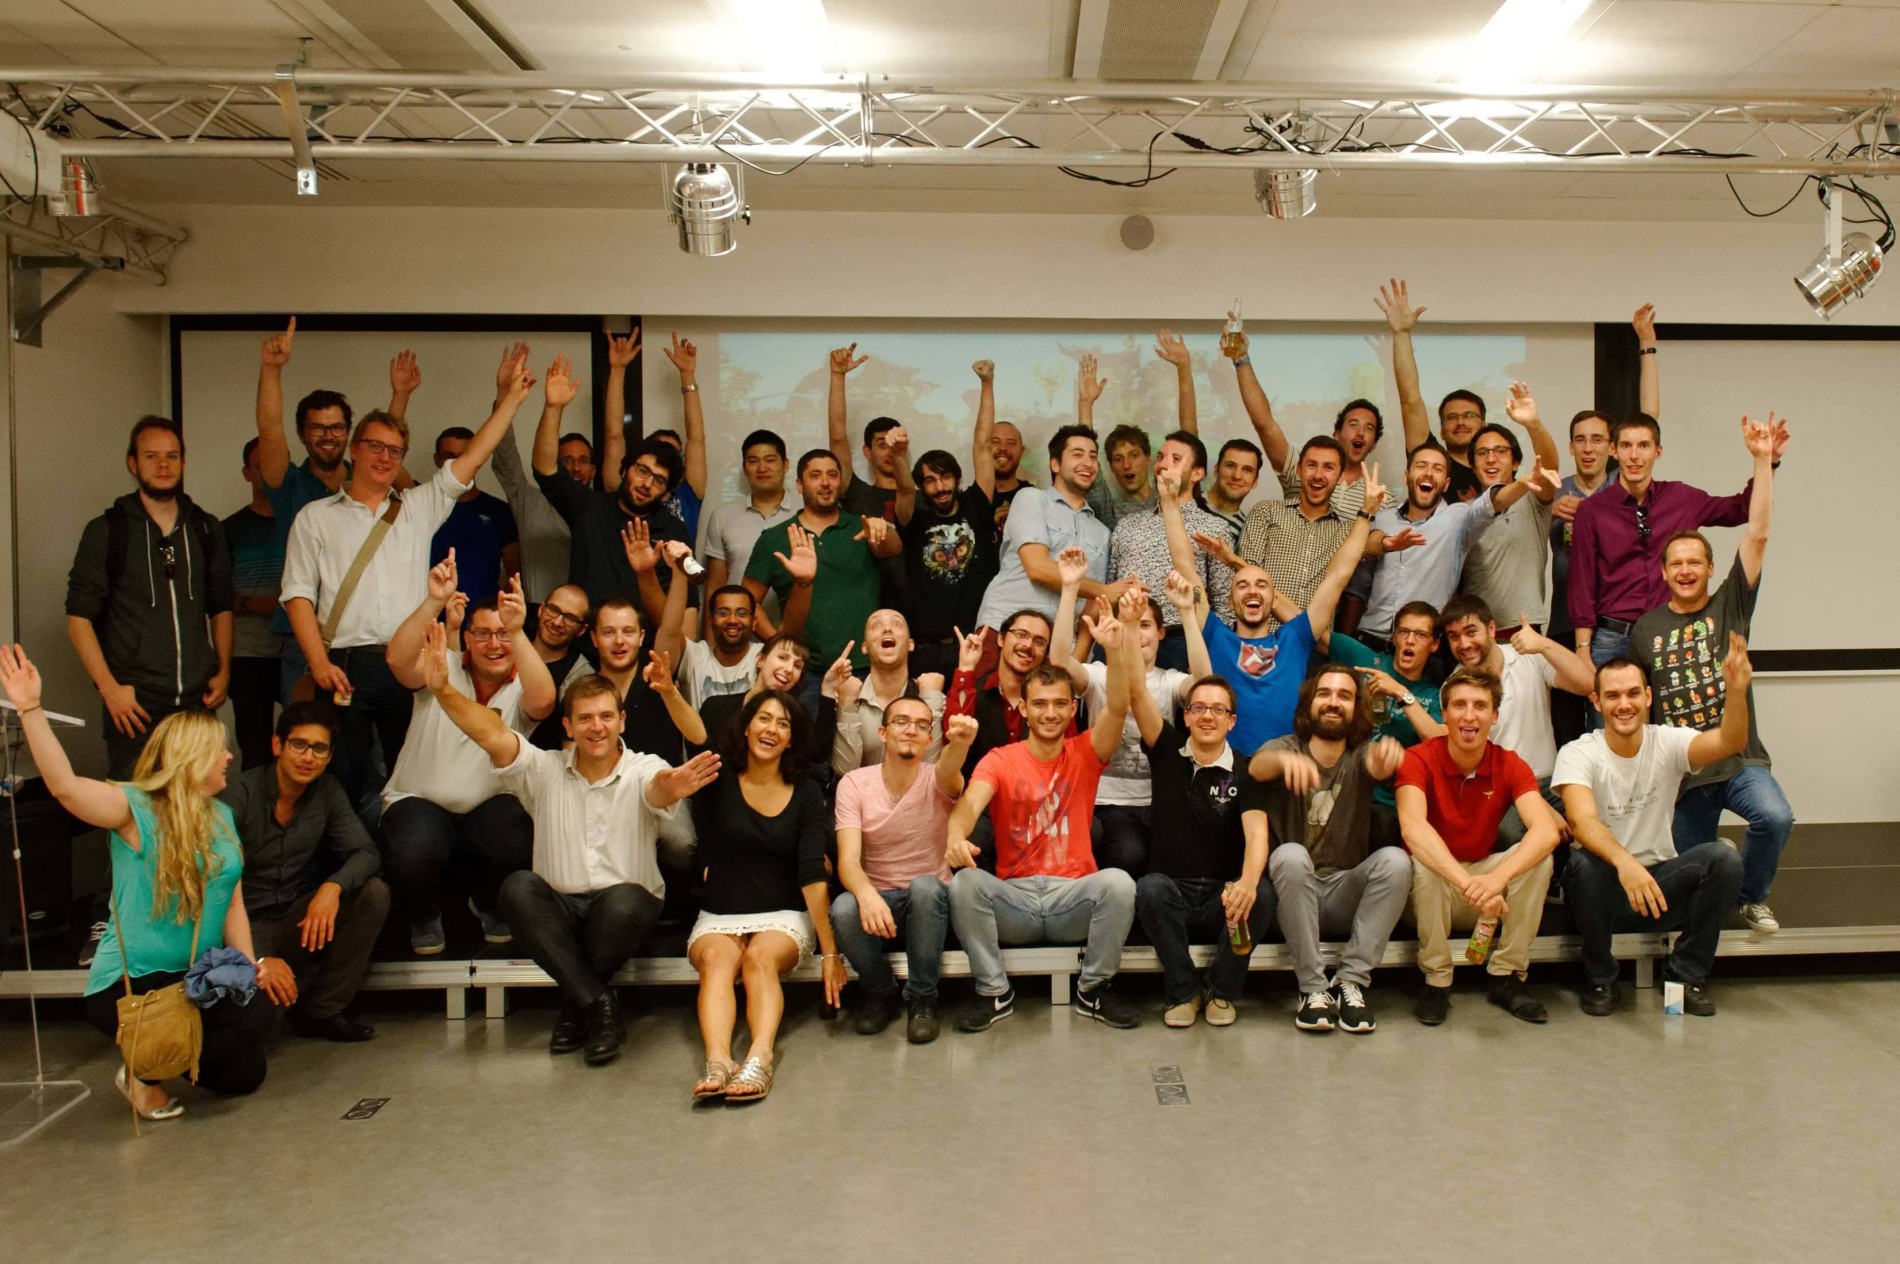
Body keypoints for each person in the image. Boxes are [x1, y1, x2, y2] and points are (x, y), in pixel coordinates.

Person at [423, 626, 721, 1064]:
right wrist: (444, 690)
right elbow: (491, 734)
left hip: (623, 914)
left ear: (622, 721)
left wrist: (674, 785)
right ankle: (596, 1004)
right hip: (560, 915)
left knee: (624, 901)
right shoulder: (543, 769)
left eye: (605, 716)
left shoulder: (644, 767)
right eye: (584, 718)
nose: (596, 727)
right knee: (518, 888)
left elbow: (658, 788)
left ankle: (576, 1003)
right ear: (567, 725)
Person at [1, 647, 275, 1117]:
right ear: (194, 759)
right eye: (219, 750)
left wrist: (248, 964)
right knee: (243, 1024)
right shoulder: (134, 809)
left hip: (195, 977)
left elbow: (230, 901)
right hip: (131, 985)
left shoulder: (224, 817)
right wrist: (30, 708)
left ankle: (161, 1056)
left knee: (247, 1071)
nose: (229, 757)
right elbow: (65, 786)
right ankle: (144, 1072)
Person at [280, 354, 535, 804]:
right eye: (375, 447)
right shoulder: (314, 518)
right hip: (341, 666)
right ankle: (346, 870)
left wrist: (511, 400)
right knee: (339, 778)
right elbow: (297, 595)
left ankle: (395, 865)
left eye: (394, 451)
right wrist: (319, 663)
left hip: (409, 666)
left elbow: (475, 455)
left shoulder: (419, 505)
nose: (384, 458)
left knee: (408, 774)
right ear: (354, 449)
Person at [945, 593, 1141, 1031]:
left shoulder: (1087, 750)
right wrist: (955, 838)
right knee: (965, 886)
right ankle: (994, 993)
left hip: (1074, 899)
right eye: (1040, 704)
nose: (1050, 713)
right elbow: (968, 806)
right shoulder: (999, 757)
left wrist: (1115, 645)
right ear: (1026, 710)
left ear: (1073, 709)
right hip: (1015, 902)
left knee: (1120, 883)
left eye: (1059, 704)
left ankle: (1093, 990)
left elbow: (1119, 706)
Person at [1632, 414, 1787, 933]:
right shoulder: (1644, 628)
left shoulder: (1730, 606)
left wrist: (1761, 461)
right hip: (1685, 774)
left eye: (1695, 562)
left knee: (1775, 818)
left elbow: (1758, 534)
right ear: (1663, 571)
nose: (1685, 570)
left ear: (1707, 567)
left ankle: (1751, 894)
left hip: (1740, 760)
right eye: (1676, 563)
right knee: (1686, 869)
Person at [1557, 641, 1753, 1016]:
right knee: (1582, 866)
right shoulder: (1579, 752)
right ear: (1597, 703)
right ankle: (1600, 978)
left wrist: (1738, 689)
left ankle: (1685, 976)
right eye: (1612, 696)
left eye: (1633, 693)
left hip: (1660, 889)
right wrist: (1625, 864)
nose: (1624, 704)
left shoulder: (1668, 741)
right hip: (1604, 893)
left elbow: (1731, 741)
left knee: (1723, 859)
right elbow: (1582, 822)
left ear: (1648, 697)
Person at [380, 561, 554, 954]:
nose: (495, 644)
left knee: (514, 833)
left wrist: (517, 630)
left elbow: (544, 700)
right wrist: (434, 601)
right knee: (413, 850)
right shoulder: (441, 668)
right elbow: (396, 660)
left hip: (488, 810)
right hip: (419, 801)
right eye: (484, 635)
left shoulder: (522, 684)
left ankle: (490, 904)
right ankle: (423, 915)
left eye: (502, 634)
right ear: (470, 640)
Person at [687, 690, 845, 1103]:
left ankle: (759, 1058)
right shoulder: (718, 779)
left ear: (791, 739)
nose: (771, 729)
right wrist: (669, 691)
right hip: (721, 909)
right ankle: (718, 1061)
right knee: (718, 961)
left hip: (784, 912)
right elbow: (693, 739)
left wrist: (829, 953)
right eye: (763, 718)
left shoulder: (807, 792)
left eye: (783, 723)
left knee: (759, 959)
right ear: (747, 725)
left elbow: (813, 874)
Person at [1166, 463, 1383, 755]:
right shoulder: (1216, 635)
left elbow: (1337, 578)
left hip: (1284, 768)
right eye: (1242, 586)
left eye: (1262, 585)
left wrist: (1366, 513)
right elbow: (1184, 566)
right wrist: (1168, 502)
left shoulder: (1294, 637)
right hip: (1224, 764)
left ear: (1272, 600)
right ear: (1230, 602)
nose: (1253, 590)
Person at [253, 319, 416, 700]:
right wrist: (271, 371)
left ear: (351, 436)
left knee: (375, 754)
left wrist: (400, 396)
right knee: (311, 744)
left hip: (371, 647)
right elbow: (269, 431)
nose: (328, 436)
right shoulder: (289, 484)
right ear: (302, 434)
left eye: (337, 428)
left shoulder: (370, 480)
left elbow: (386, 447)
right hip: (308, 641)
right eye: (317, 428)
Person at [1395, 667, 1565, 1026]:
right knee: (1424, 862)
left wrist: (1495, 878)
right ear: (1444, 714)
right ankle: (1436, 980)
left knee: (1540, 861)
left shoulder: (1510, 763)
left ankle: (1506, 976)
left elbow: (1546, 831)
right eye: (1459, 705)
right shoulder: (1418, 758)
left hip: (1485, 891)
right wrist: (1469, 883)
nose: (1469, 715)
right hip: (1430, 892)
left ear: (1494, 715)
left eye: (1479, 706)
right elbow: (1413, 828)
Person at [67, 415, 234, 779]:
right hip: (134, 705)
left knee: (199, 810)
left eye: (172, 456)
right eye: (151, 456)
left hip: (196, 702)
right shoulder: (107, 530)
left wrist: (223, 672)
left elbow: (221, 606)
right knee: (136, 815)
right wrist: (109, 690)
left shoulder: (206, 527)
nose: (163, 465)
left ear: (183, 462)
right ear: (133, 463)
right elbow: (79, 618)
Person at [217, 701, 389, 1042]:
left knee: (373, 892)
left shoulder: (326, 792)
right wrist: (259, 959)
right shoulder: (240, 795)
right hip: (238, 928)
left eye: (319, 749)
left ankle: (323, 1010)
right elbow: (207, 885)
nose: (308, 757)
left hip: (292, 919)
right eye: (299, 745)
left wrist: (332, 888)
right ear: (277, 745)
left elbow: (365, 853)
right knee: (257, 1024)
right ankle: (283, 987)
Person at [1252, 667, 1412, 1034]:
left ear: (1357, 709)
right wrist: (1283, 763)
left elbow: (1374, 763)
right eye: (1324, 694)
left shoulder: (1359, 756)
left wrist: (1385, 759)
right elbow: (1257, 767)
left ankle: (1350, 982)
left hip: (1342, 894)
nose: (1333, 702)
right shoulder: (1285, 747)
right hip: (1289, 898)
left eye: (1344, 695)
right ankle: (1312, 990)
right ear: (1309, 704)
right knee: (1291, 855)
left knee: (1396, 861)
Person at [1569, 410, 1781, 667]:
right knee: (1612, 708)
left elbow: (1742, 508)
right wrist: (1583, 649)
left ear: (1658, 451)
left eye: (1644, 446)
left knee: (1677, 707)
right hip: (1614, 638)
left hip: (1671, 633)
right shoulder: (1592, 510)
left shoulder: (1681, 498)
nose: (1634, 455)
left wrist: (1767, 462)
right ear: (1614, 450)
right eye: (1626, 446)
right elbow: (1582, 583)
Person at [1131, 663, 1276, 1029]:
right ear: (1186, 716)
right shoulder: (1165, 750)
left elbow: (1258, 833)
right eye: (1199, 707)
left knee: (1261, 892)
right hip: (1172, 894)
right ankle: (1183, 993)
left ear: (1232, 721)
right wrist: (1127, 632)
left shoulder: (1247, 770)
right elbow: (1135, 693)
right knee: (1149, 888)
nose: (1207, 716)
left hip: (1220, 899)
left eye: (1218, 709)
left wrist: (1245, 882)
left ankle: (1221, 992)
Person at [1051, 563, 1211, 876]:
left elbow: (1205, 686)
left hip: (1159, 802)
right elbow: (1058, 662)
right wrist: (1070, 589)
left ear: (1161, 633)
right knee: (1129, 855)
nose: (1138, 634)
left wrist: (1187, 612)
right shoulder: (1099, 676)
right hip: (1108, 803)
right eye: (1132, 624)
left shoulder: (1169, 680)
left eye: (1146, 625)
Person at [833, 703, 978, 1044]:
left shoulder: (937, 777)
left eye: (921, 725)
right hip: (879, 903)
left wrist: (959, 744)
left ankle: (922, 998)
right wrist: (867, 897)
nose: (911, 730)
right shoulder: (854, 783)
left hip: (930, 904)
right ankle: (880, 991)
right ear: (882, 732)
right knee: (842, 908)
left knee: (926, 887)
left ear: (929, 738)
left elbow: (950, 771)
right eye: (901, 722)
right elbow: (848, 861)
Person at [532, 353, 691, 612]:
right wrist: (553, 408)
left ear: (666, 492)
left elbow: (674, 613)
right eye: (642, 470)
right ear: (626, 468)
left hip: (642, 644)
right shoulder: (589, 506)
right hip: (585, 640)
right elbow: (545, 468)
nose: (647, 483)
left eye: (659, 480)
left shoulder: (673, 531)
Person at [1356, 439, 1551, 648]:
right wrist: (1387, 543)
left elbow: (1491, 504)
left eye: (1437, 468)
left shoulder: (1458, 518)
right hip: (1371, 638)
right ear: (1406, 476)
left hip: (1426, 647)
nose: (1429, 473)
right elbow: (1366, 544)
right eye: (1421, 466)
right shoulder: (1383, 516)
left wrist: (1521, 484)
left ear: (1446, 483)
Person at [1440, 593, 1593, 846]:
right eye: (1454, 637)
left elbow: (1587, 683)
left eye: (1470, 632)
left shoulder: (1527, 656)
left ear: (1491, 628)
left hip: (1552, 782)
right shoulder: (1454, 688)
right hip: (1502, 791)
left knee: (1591, 825)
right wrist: (1538, 805)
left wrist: (1544, 644)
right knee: (1511, 833)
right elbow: (1476, 763)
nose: (1464, 644)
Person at [897, 359, 1003, 680]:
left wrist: (987, 384)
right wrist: (901, 454)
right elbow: (902, 486)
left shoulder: (976, 505)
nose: (939, 486)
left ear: (957, 479)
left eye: (945, 478)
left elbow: (983, 445)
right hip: (926, 647)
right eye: (929, 480)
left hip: (975, 641)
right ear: (922, 487)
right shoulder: (914, 519)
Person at [744, 450, 900, 668]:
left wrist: (883, 530)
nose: (825, 483)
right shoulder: (774, 538)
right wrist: (777, 644)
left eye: (832, 475)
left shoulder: (861, 527)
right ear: (799, 484)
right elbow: (747, 601)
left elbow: (893, 547)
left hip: (865, 665)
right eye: (815, 476)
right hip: (803, 670)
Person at [973, 422, 1123, 634]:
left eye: (1092, 456)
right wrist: (1105, 591)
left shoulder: (1102, 533)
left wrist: (1077, 659)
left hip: (1060, 646)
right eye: (1077, 454)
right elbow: (1038, 569)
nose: (1087, 463)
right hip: (1005, 629)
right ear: (1055, 464)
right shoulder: (1032, 499)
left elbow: (1090, 609)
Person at [489, 338, 608, 602]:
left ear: (593, 470)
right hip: (535, 615)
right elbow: (504, 454)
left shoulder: (605, 509)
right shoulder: (528, 500)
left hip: (588, 623)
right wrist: (504, 396)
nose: (575, 467)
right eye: (566, 460)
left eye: (583, 460)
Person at [1107, 430, 1235, 668]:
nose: (1164, 465)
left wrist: (1209, 653)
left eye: (1176, 459)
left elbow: (1224, 606)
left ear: (1197, 473)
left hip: (1181, 640)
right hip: (1124, 635)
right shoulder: (1128, 524)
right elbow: (1110, 587)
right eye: (1160, 457)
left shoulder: (1214, 527)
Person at [1327, 602, 1446, 847]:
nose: (1410, 640)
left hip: (1389, 806)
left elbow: (1441, 741)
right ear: (1394, 637)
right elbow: (1308, 627)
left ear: (1434, 645)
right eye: (1403, 632)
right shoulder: (1367, 660)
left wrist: (1401, 693)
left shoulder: (1433, 695)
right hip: (1343, 787)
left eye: (1420, 635)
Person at [1460, 380, 1561, 632]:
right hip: (1474, 635)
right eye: (1482, 453)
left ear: (1516, 463)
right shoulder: (1465, 512)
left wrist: (1532, 424)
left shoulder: (1532, 496)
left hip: (1523, 630)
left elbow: (1547, 468)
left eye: (1500, 451)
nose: (1491, 459)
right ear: (1472, 465)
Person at [1378, 278, 1484, 504]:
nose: (1460, 422)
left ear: (1484, 425)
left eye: (1469, 415)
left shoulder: (1496, 467)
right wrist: (1402, 333)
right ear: (1443, 430)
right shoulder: (1432, 461)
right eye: (1451, 417)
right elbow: (1410, 399)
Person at [1235, 435, 1360, 625]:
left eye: (1328, 467)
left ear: (1341, 475)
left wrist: (1383, 536)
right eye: (1311, 465)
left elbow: (1374, 543)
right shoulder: (1267, 511)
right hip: (1261, 637)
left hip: (1313, 646)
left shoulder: (1348, 531)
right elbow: (1247, 575)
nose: (1318, 474)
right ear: (1299, 470)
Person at [1080, 331, 1199, 529]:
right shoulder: (1109, 511)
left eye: (1134, 455)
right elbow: (1084, 455)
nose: (1127, 465)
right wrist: (1085, 403)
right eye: (1118, 459)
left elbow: (1190, 440)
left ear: (1148, 458)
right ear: (1110, 466)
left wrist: (1184, 369)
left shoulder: (1173, 493)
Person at [827, 343, 909, 607]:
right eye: (881, 445)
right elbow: (838, 438)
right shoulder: (856, 491)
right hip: (863, 604)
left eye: (893, 444)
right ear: (867, 452)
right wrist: (838, 377)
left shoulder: (917, 496)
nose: (888, 452)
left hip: (915, 611)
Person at [943, 609, 1063, 782]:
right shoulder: (974, 690)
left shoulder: (1052, 704)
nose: (1028, 645)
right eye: (1021, 635)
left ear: (1045, 653)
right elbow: (952, 736)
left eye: (1039, 641)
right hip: (976, 801)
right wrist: (966, 667)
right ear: (1001, 639)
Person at [223, 438, 284, 770]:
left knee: (305, 743)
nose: (270, 473)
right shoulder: (228, 530)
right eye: (261, 466)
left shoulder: (305, 523)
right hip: (247, 655)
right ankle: (255, 820)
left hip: (298, 652)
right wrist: (254, 604)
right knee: (256, 748)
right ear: (248, 473)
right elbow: (213, 597)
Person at [831, 608, 947, 775]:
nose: (887, 629)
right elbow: (845, 771)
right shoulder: (846, 695)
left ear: (910, 644)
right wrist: (847, 705)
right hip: (862, 798)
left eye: (896, 624)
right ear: (865, 647)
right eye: (876, 625)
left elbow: (930, 769)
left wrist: (931, 698)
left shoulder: (929, 695)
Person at [701, 429, 796, 622]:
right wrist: (711, 648)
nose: (762, 468)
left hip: (794, 636)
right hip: (738, 637)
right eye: (753, 461)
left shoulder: (805, 512)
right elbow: (716, 587)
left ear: (785, 465)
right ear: (745, 468)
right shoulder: (723, 516)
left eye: (770, 460)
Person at [428, 425, 521, 607]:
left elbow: (514, 576)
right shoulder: (423, 505)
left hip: (482, 625)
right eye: (449, 456)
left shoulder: (498, 511)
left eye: (465, 455)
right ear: (437, 460)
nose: (457, 463)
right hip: (431, 620)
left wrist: (494, 614)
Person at [639, 332, 709, 543]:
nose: (665, 457)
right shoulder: (631, 493)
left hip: (682, 576)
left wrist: (687, 374)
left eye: (672, 453)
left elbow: (696, 438)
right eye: (658, 449)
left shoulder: (687, 495)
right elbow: (614, 437)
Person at [524, 583, 596, 751]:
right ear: (541, 609)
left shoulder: (581, 677)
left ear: (581, 630)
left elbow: (573, 750)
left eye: (570, 618)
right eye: (553, 610)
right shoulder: (509, 647)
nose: (557, 622)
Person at [1203, 438, 1263, 535]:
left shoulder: (1246, 533)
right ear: (1216, 469)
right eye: (1230, 466)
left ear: (1255, 481)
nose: (1237, 476)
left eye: (1247, 470)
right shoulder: (1187, 500)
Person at [987, 419, 1033, 536]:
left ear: (1022, 452)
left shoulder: (1033, 498)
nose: (1003, 448)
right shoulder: (970, 500)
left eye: (1011, 443)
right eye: (995, 442)